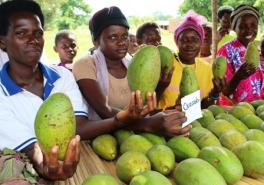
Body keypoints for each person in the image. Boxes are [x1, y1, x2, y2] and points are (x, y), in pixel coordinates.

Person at [0, 0, 156, 181]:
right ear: (3, 41)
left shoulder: (62, 76)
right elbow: (30, 148)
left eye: (38, 33)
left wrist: (120, 119)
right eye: (21, 33)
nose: (33, 40)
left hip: (69, 164)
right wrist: (46, 167)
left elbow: (78, 126)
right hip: (25, 168)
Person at [72, 6, 191, 135]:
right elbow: (104, 110)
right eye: (113, 37)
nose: (121, 42)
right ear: (96, 41)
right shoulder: (85, 65)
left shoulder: (135, 64)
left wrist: (161, 87)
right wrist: (148, 124)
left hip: (133, 135)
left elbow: (144, 107)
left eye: (124, 36)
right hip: (102, 138)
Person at [158, 11, 225, 109]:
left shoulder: (208, 69)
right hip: (164, 121)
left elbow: (203, 108)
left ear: (201, 43)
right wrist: (161, 86)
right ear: (177, 42)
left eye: (195, 40)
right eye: (184, 40)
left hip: (195, 123)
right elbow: (148, 104)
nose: (189, 44)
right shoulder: (165, 65)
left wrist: (215, 92)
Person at [217, 4, 264, 103]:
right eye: (242, 26)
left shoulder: (255, 49)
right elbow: (223, 91)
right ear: (234, 28)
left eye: (253, 25)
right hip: (235, 111)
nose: (248, 30)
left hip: (256, 108)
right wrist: (238, 76)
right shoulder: (225, 51)